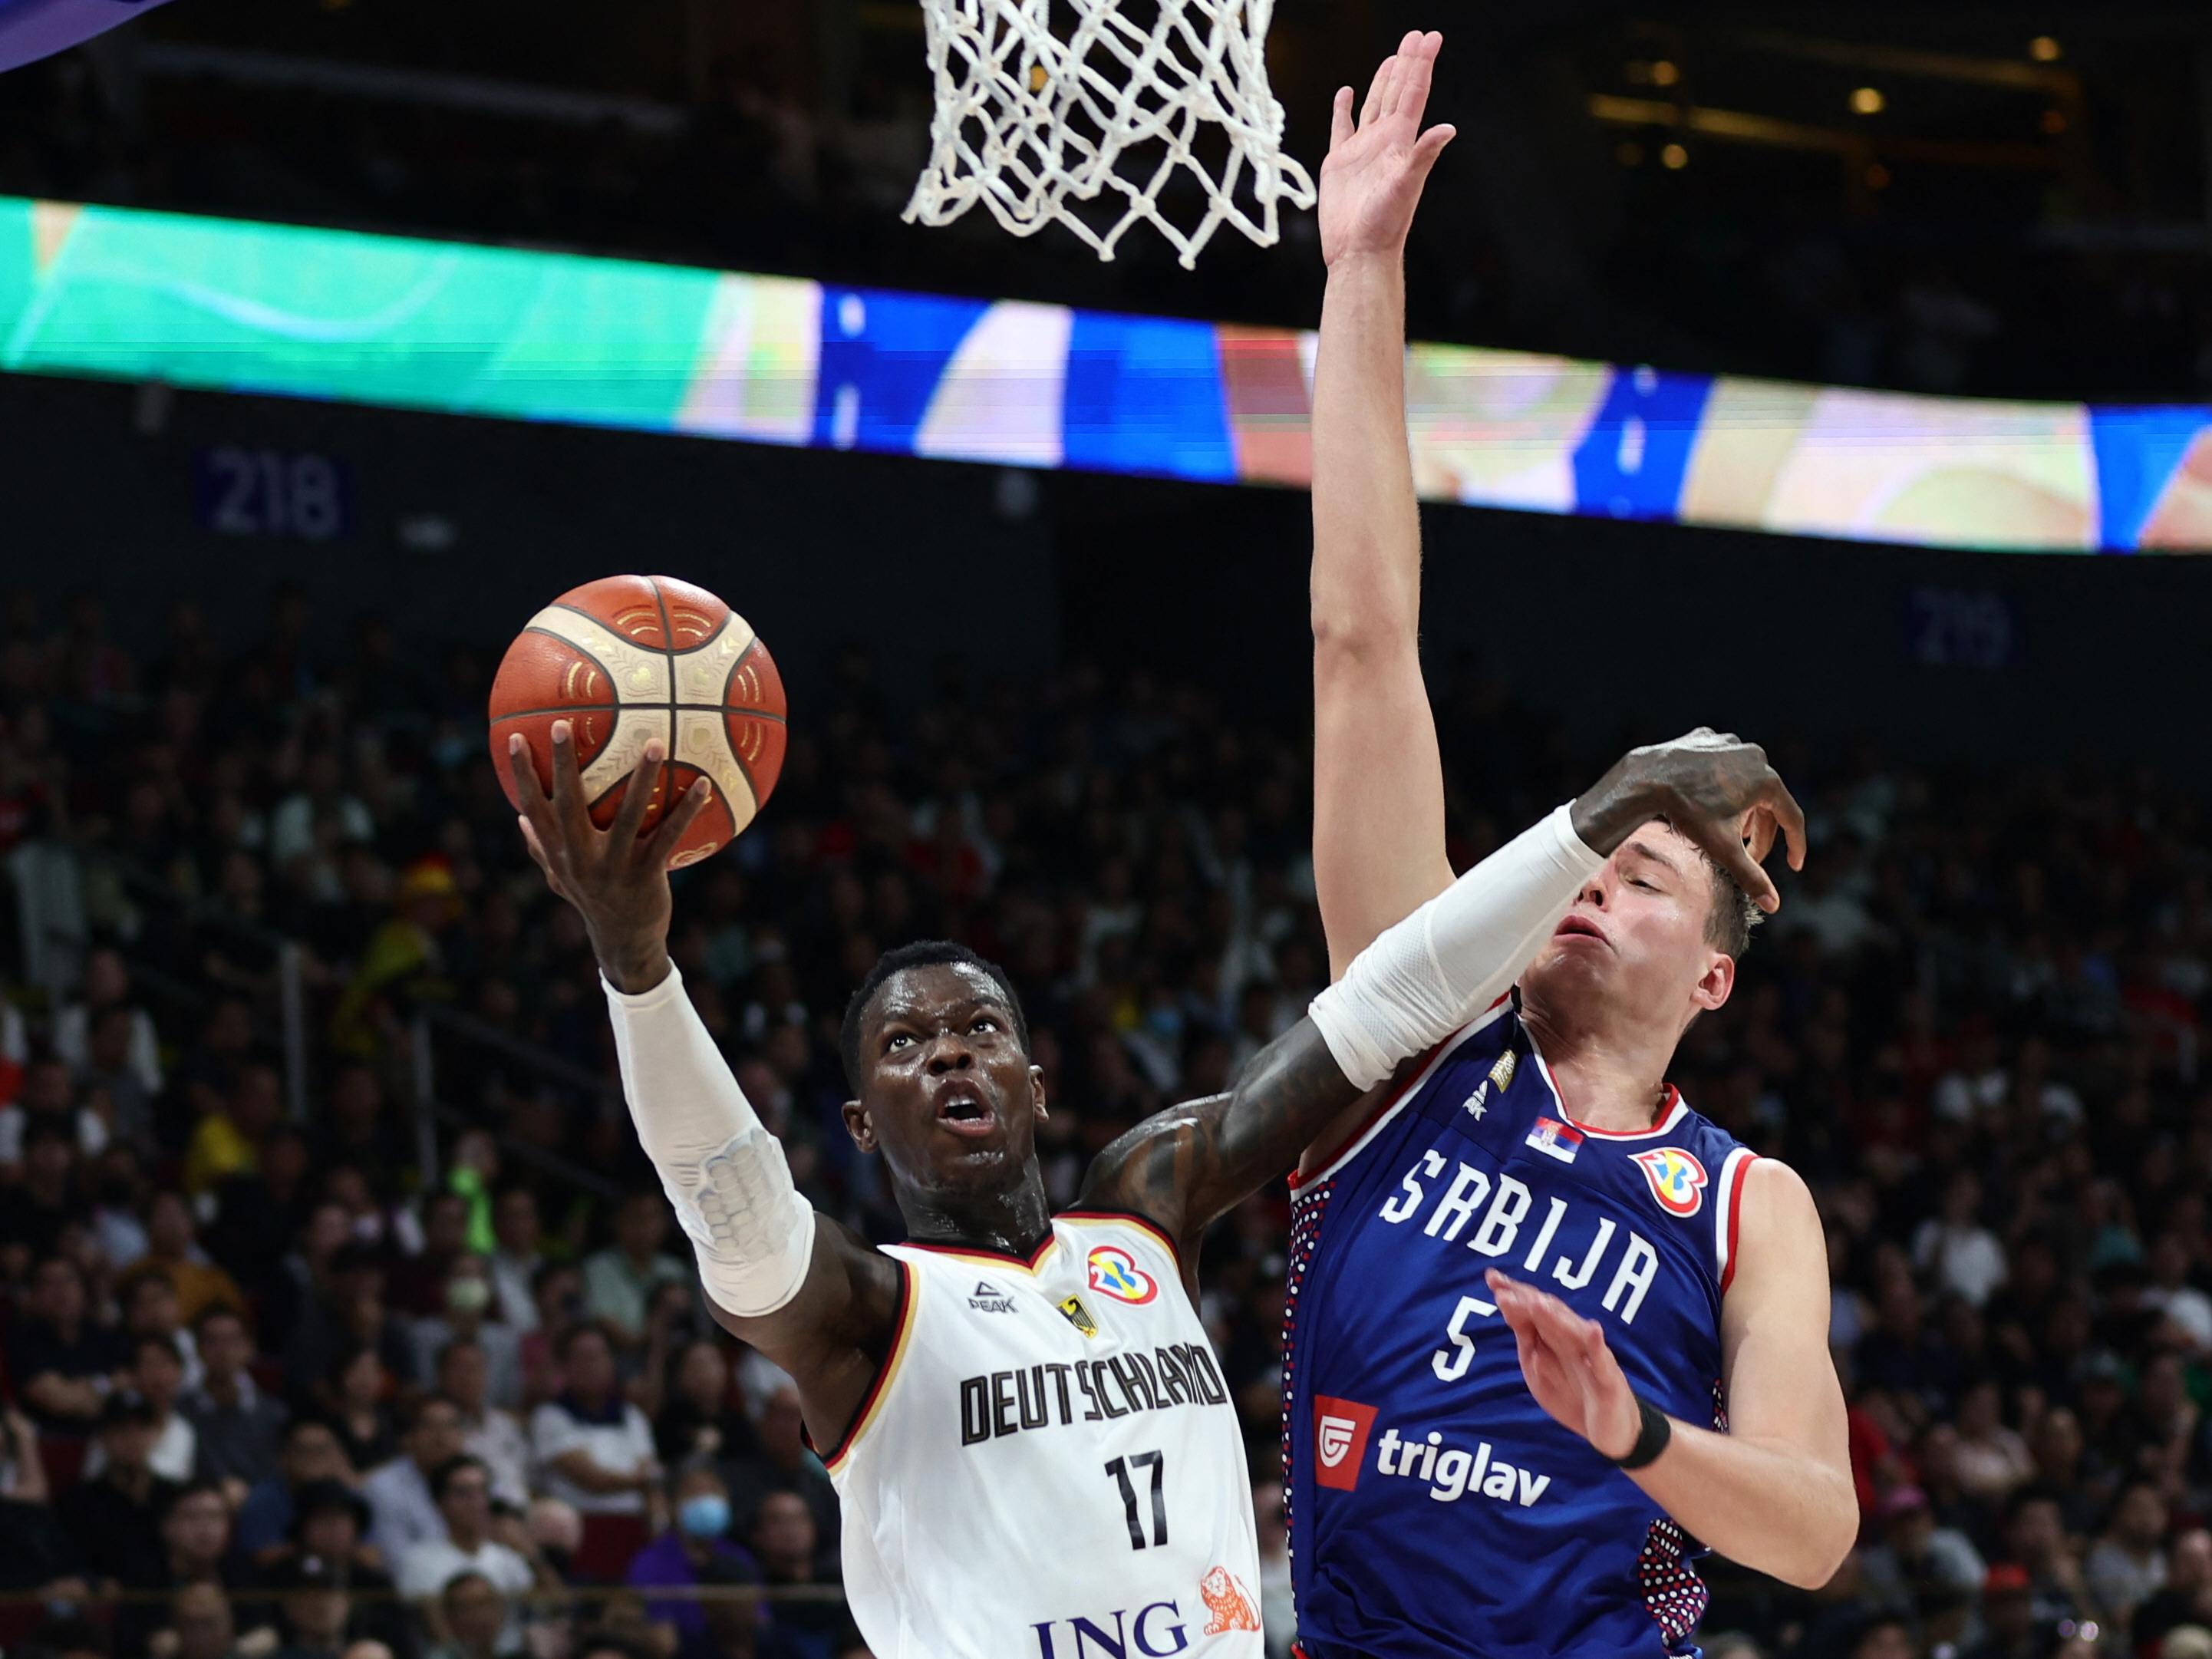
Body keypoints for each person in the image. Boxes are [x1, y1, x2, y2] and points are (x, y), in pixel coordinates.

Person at [504, 552, 1722, 1648]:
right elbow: (725, 1194)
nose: (949, 1054)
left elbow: (1382, 1006)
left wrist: (1594, 819)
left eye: (981, 1029)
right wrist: (637, 964)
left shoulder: (1145, 1206)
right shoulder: (863, 1313)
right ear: (861, 1120)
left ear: (1035, 1086)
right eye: (905, 1044)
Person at [1289, 30, 1853, 1657]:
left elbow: (1814, 1528)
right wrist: (1361, 271)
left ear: (1714, 979)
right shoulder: (1411, 1041)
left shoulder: (1745, 1203)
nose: (1594, 880)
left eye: (1645, 875)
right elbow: (1360, 646)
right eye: (1591, 859)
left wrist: (1636, 1434)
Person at [394, 1457, 547, 1651]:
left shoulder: (509, 1557)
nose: (477, 1502)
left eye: (482, 1491)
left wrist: (531, 1554)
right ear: (440, 1503)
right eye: (463, 1493)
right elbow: (435, 1632)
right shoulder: (418, 1561)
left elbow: (552, 1609)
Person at [626, 1462, 761, 1659]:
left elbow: (761, 1621)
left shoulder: (740, 1557)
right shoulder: (650, 1562)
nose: (705, 1499)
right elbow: (661, 1640)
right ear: (672, 1504)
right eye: (693, 1492)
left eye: (713, 1491)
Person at [183, 1308, 290, 1500]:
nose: (223, 1350)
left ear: (250, 1348)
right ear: (198, 1349)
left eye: (232, 1340)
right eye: (212, 1341)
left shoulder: (275, 1413)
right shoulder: (180, 1410)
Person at [363, 1397, 470, 1562]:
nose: (441, 1436)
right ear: (410, 1437)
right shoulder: (383, 1487)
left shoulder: (477, 1478)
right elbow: (398, 1560)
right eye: (430, 1426)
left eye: (450, 1426)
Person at [435, 1339, 532, 1512]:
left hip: (523, 1511)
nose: (468, 1376)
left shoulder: (505, 1424)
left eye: (475, 1368)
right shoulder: (437, 1430)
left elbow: (529, 1479)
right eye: (459, 1367)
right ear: (441, 1375)